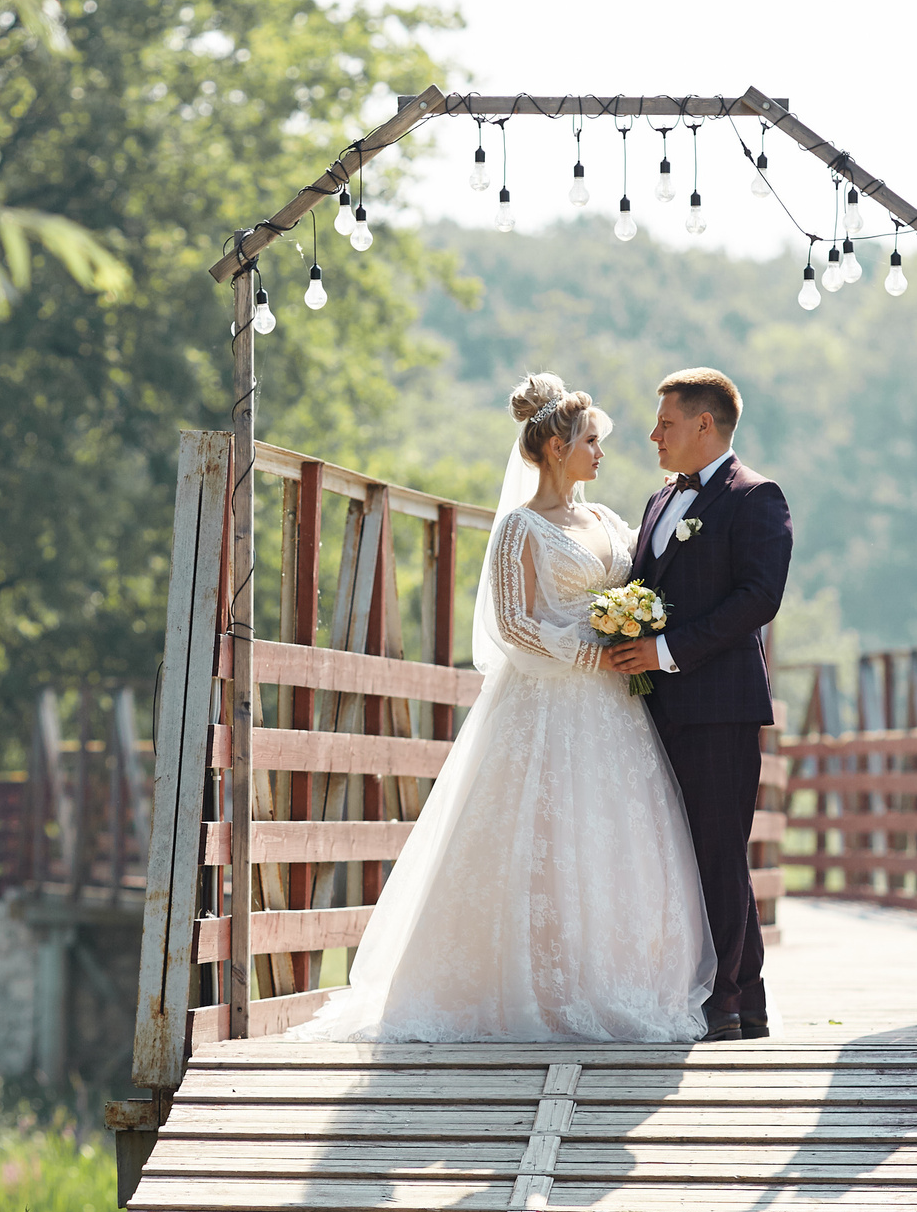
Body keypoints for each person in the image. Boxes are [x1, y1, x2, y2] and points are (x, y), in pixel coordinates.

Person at [289, 373, 717, 1043]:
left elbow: (647, 582)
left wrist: (633, 630)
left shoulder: (608, 521)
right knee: (538, 842)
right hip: (544, 703)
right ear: (554, 447)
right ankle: (526, 985)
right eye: (590, 441)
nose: (601, 453)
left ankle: (608, 979)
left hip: (612, 710)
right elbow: (513, 624)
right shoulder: (520, 528)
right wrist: (586, 651)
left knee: (609, 839)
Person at [605, 368, 793, 1041]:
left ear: (704, 425)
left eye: (666, 423)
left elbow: (758, 597)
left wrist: (666, 649)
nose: (654, 434)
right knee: (668, 850)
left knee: (717, 850)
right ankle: (738, 998)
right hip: (653, 706)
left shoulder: (756, 497)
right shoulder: (661, 501)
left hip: (719, 705)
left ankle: (729, 1001)